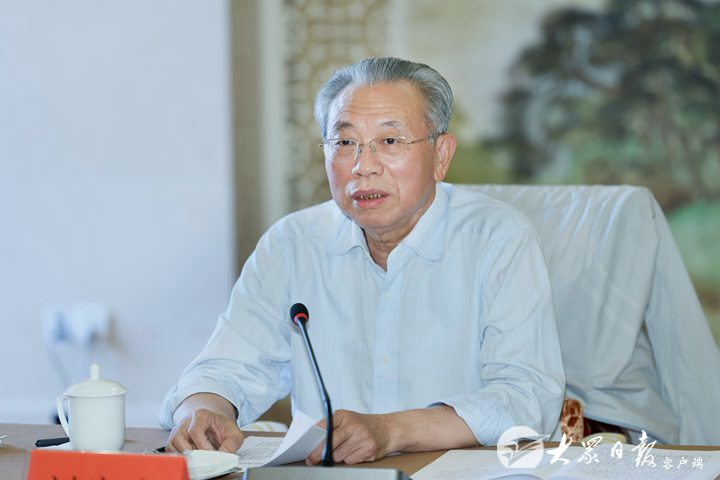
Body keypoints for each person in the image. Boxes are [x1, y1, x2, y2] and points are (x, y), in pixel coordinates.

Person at [159, 57, 565, 464]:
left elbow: (528, 399)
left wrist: (392, 430)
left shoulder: (498, 238)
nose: (363, 166)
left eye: (390, 141)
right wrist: (203, 410)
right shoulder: (292, 243)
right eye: (344, 143)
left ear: (441, 155)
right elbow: (225, 368)